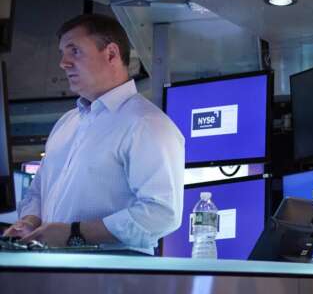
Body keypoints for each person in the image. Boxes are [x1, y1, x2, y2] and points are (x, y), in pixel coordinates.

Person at [2, 14, 184, 254]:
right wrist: (29, 222)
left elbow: (161, 214)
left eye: (74, 51)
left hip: (114, 273)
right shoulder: (67, 122)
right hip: (52, 265)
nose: (63, 63)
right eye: (62, 53)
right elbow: (38, 191)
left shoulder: (146, 123)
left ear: (111, 54)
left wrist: (74, 233)